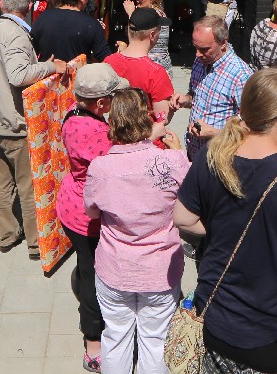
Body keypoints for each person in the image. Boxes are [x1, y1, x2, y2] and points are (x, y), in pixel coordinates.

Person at [174, 69, 277, 372]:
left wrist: (223, 226)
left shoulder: (213, 156)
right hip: (274, 339)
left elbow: (183, 218)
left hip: (216, 327)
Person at [84, 90, 188, 374]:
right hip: (160, 270)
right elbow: (193, 200)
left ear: (113, 121)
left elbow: (92, 211)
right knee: (156, 341)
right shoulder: (171, 161)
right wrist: (178, 153)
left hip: (115, 268)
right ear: (146, 118)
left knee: (115, 337)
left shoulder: (101, 167)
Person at [0, 0, 68, 260]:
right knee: (28, 187)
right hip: (14, 122)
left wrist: (39, 66)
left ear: (2, 5)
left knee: (3, 183)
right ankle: (35, 243)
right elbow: (18, 75)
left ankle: (7, 235)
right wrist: (52, 66)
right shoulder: (16, 35)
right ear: (29, 7)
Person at [61, 64, 124, 371]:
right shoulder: (96, 132)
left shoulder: (74, 113)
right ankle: (93, 342)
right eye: (113, 96)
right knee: (92, 277)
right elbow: (121, 159)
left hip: (71, 203)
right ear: (100, 103)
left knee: (87, 265)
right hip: (87, 216)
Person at [175, 16, 253, 161]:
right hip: (194, 155)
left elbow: (251, 126)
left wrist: (214, 132)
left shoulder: (241, 76)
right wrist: (186, 100)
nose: (197, 54)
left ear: (223, 43)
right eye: (195, 47)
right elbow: (196, 95)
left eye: (204, 49)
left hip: (220, 159)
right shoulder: (201, 60)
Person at [105, 7, 176, 123]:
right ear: (152, 35)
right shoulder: (156, 72)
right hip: (145, 132)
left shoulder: (108, 61)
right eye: (159, 30)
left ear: (129, 31)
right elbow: (163, 119)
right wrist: (172, 106)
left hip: (115, 130)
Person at [33, 0, 111, 63]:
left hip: (48, 70)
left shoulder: (43, 17)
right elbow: (106, 59)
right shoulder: (91, 24)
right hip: (78, 72)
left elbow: (30, 50)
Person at [122, 0, 172, 73]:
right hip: (152, 65)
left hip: (155, 68)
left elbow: (135, 38)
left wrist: (131, 14)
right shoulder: (147, 13)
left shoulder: (155, 15)